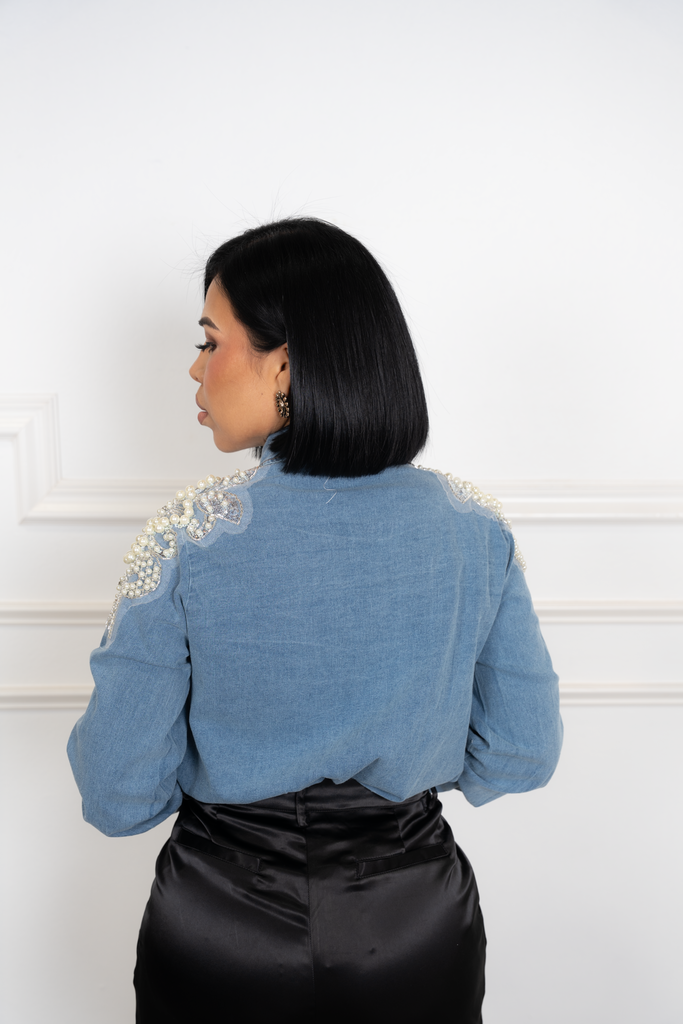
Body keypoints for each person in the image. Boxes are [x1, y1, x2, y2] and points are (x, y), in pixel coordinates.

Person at [67, 217, 562, 1023]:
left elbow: (116, 793)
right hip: (412, 926)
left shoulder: (188, 537)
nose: (194, 369)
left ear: (286, 363)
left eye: (209, 341)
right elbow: (521, 753)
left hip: (221, 927)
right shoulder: (474, 528)